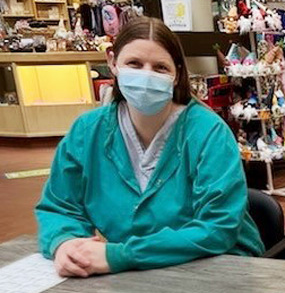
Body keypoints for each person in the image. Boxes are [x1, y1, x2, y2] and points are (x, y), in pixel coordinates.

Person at [36, 17, 264, 277]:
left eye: (160, 68)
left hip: (216, 266)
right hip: (137, 274)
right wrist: (65, 243)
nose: (146, 76)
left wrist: (120, 255)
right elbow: (59, 206)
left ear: (177, 72)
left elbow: (217, 228)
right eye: (134, 64)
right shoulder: (87, 132)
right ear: (113, 62)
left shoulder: (208, 133)